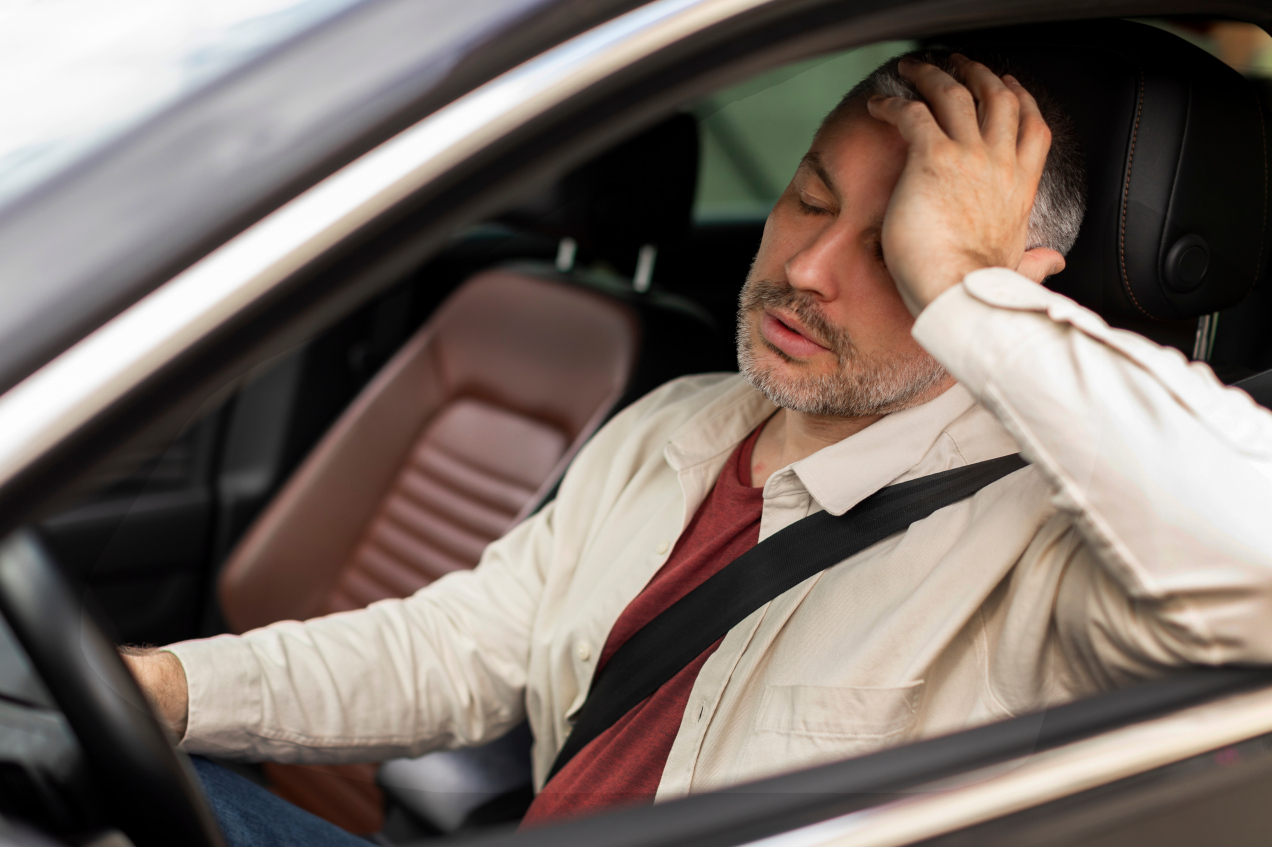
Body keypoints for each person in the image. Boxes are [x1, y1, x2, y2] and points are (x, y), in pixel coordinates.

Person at [124, 50, 1272, 845]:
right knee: (95, 778)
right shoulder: (678, 422)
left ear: (995, 280)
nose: (807, 269)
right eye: (809, 198)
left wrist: (970, 296)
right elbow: (458, 649)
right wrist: (168, 689)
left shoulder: (1054, 542)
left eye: (895, 248)